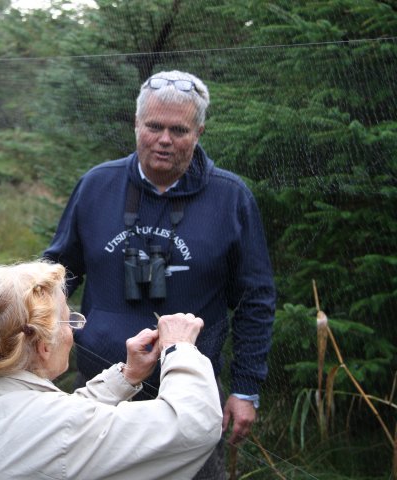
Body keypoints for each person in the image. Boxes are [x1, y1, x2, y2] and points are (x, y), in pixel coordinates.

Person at [43, 70, 276, 478]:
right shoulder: (98, 185)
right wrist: (29, 346)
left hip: (188, 395)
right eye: (153, 127)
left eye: (178, 129)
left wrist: (245, 389)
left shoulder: (230, 197)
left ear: (199, 131)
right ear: (136, 124)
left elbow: (256, 299)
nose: (164, 139)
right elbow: (58, 274)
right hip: (101, 387)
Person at [0, 260, 222, 479]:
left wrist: (127, 377)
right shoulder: (57, 426)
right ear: (44, 345)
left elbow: (58, 431)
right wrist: (179, 348)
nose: (74, 330)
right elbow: (192, 426)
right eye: (68, 320)